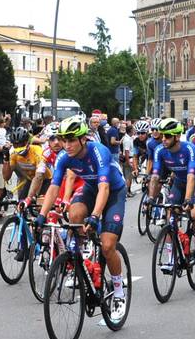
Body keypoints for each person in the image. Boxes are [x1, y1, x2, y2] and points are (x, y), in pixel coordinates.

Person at [34, 116, 128, 321]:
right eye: (63, 140)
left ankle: (119, 291)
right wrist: (41, 216)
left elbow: (104, 187)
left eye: (71, 140)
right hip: (91, 189)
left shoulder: (98, 151)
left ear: (83, 139)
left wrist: (95, 216)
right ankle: (80, 260)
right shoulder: (64, 157)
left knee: (108, 245)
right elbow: (53, 188)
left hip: (113, 192)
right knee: (74, 214)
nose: (65, 145)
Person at [148, 118, 195, 266]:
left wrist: (188, 199)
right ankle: (171, 258)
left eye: (167, 136)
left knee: (193, 214)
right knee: (171, 217)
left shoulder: (189, 149)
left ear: (176, 136)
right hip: (179, 182)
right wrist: (150, 198)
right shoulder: (159, 150)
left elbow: (191, 176)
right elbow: (155, 176)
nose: (163, 139)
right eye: (162, 135)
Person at [3, 126, 52, 261]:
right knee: (21, 212)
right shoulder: (14, 154)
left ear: (28, 143)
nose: (18, 147)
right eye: (15, 144)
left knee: (41, 212)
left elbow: (39, 177)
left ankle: (45, 242)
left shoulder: (37, 151)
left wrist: (30, 198)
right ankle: (23, 249)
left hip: (45, 181)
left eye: (21, 144)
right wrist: (6, 159)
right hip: (29, 181)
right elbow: (6, 177)